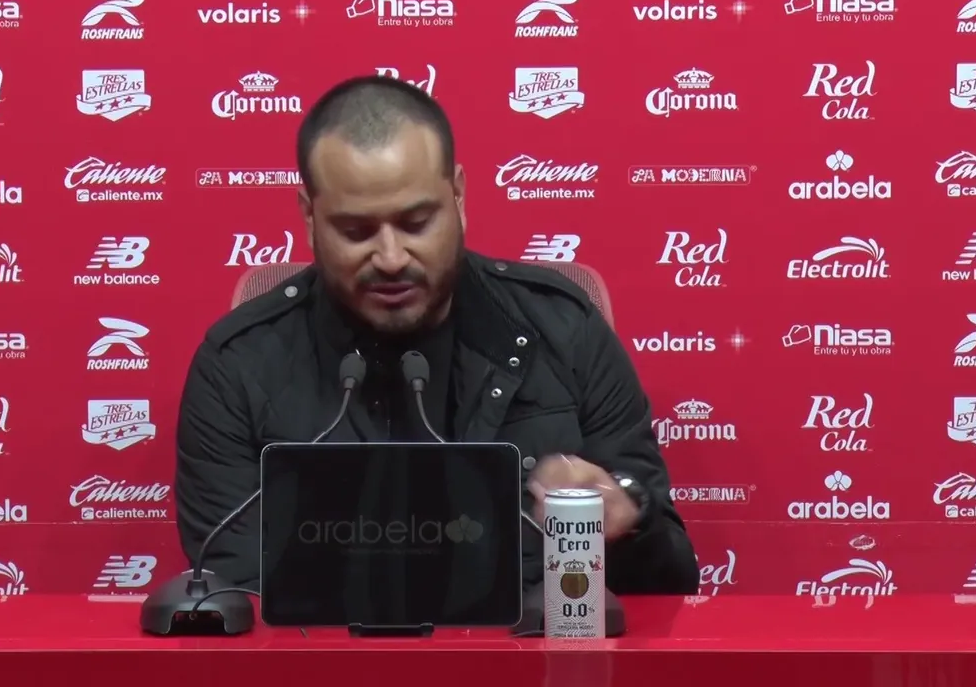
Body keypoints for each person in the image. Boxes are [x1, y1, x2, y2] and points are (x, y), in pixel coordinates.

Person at [175, 75, 700, 596]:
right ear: (310, 217)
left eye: (417, 223)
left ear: (459, 197)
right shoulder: (237, 366)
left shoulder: (565, 332)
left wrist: (627, 519)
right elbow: (236, 593)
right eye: (356, 232)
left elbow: (670, 577)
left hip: (534, 649)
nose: (391, 258)